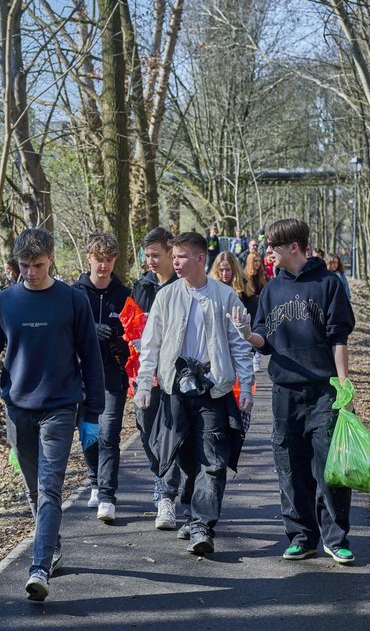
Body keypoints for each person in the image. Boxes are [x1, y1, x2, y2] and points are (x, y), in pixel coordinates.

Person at [0, 227, 105, 602]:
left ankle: (39, 566)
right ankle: (52, 543)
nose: (31, 273)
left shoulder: (73, 301)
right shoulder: (2, 303)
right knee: (33, 489)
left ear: (52, 261)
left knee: (49, 487)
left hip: (60, 407)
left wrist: (92, 412)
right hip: (18, 409)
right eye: (25, 266)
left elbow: (91, 358)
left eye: (39, 265)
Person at [229, 218, 357, 565]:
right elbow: (263, 341)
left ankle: (336, 537)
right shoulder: (271, 290)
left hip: (324, 390)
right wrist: (244, 332)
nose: (267, 252)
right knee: (290, 465)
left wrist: (343, 385)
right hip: (284, 392)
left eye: (273, 247)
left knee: (330, 467)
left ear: (294, 247)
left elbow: (338, 338)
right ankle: (302, 536)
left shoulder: (328, 284)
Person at [135, 232, 253, 555]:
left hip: (213, 389)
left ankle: (202, 524)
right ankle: (191, 511)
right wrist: (145, 384)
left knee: (213, 458)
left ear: (201, 259)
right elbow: (151, 345)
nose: (175, 262)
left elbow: (239, 346)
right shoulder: (166, 297)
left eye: (182, 256)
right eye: (174, 256)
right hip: (175, 389)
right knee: (183, 456)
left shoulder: (225, 296)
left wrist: (247, 386)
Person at [73, 233, 131, 523]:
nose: (104, 266)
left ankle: (107, 496)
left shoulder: (124, 294)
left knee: (109, 434)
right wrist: (88, 331)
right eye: (99, 260)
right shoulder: (74, 294)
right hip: (80, 376)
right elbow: (62, 333)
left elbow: (135, 336)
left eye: (109, 260)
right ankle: (95, 480)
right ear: (89, 259)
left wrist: (121, 342)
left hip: (112, 375)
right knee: (89, 435)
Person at [130, 227, 182, 523]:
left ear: (169, 253)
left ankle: (166, 496)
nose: (150, 260)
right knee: (148, 434)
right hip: (144, 376)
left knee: (171, 436)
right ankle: (160, 478)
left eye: (155, 255)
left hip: (174, 376)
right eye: (146, 255)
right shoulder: (142, 286)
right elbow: (132, 326)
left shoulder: (182, 287)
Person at [210, 251, 257, 318]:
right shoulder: (212, 287)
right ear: (216, 270)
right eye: (221, 270)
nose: (224, 274)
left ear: (234, 269)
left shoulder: (244, 286)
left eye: (228, 270)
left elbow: (252, 314)